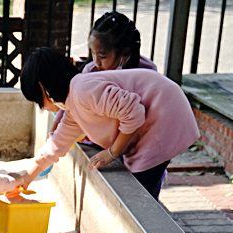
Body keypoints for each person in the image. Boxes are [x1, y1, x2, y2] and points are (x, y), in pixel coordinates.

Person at [19, 46, 198, 200]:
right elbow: (55, 146)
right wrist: (24, 180)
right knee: (136, 180)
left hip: (164, 114)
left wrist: (112, 153)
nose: (41, 106)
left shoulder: (83, 90)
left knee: (140, 189)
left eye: (38, 99)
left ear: (44, 88)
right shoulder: (73, 105)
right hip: (153, 118)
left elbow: (134, 113)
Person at [84, 11, 158, 73]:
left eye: (102, 57)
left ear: (125, 52)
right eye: (93, 53)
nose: (97, 62)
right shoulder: (91, 71)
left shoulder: (147, 72)